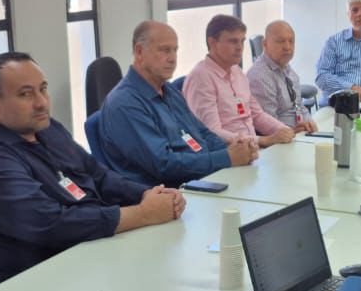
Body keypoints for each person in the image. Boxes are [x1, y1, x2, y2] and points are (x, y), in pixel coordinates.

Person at [0, 52, 185, 283]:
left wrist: (148, 194)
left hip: (95, 251)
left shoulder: (47, 129)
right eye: (25, 94)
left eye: (43, 89)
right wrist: (143, 214)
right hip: (49, 280)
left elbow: (98, 175)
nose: (42, 102)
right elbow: (52, 224)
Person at [100, 21, 258, 186]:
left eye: (175, 50)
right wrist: (227, 157)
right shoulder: (125, 104)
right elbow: (163, 164)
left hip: (201, 179)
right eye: (164, 50)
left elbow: (202, 133)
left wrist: (235, 148)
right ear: (139, 52)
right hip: (166, 195)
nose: (172, 59)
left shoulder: (169, 90)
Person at [183, 14, 295, 148]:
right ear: (213, 42)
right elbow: (211, 132)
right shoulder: (201, 77)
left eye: (242, 41)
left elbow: (257, 115)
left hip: (252, 151)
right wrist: (262, 140)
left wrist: (285, 131)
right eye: (233, 41)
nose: (240, 47)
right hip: (227, 156)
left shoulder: (237, 71)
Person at [246, 19, 318, 133]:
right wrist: (293, 132)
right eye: (280, 41)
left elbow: (299, 106)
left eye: (291, 41)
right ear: (265, 44)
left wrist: (311, 125)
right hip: (280, 141)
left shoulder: (286, 67)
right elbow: (268, 126)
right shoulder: (260, 76)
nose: (287, 47)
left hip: (299, 134)